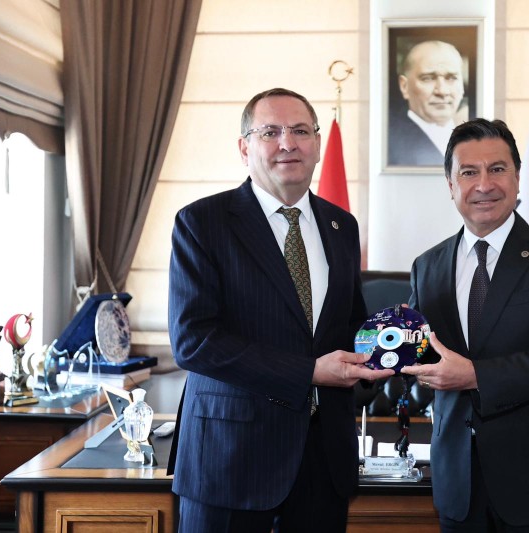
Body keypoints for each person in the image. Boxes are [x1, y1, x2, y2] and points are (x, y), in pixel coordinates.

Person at [167, 87, 394, 533]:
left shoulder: (341, 226)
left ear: (318, 144)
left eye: (301, 131)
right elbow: (194, 342)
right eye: (270, 132)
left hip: (323, 460)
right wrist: (309, 372)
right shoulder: (202, 223)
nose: (288, 143)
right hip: (231, 460)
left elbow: (347, 324)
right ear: (244, 148)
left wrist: (389, 340)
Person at [401, 118, 529, 532]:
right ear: (450, 185)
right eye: (468, 172)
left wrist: (474, 375)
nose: (484, 184)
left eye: (497, 169)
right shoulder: (427, 266)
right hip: (458, 486)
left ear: (517, 177)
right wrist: (394, 351)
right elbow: (424, 357)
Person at [388, 40, 466, 166]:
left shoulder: (474, 135)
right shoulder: (387, 145)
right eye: (428, 78)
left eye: (451, 78)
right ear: (404, 86)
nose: (442, 91)